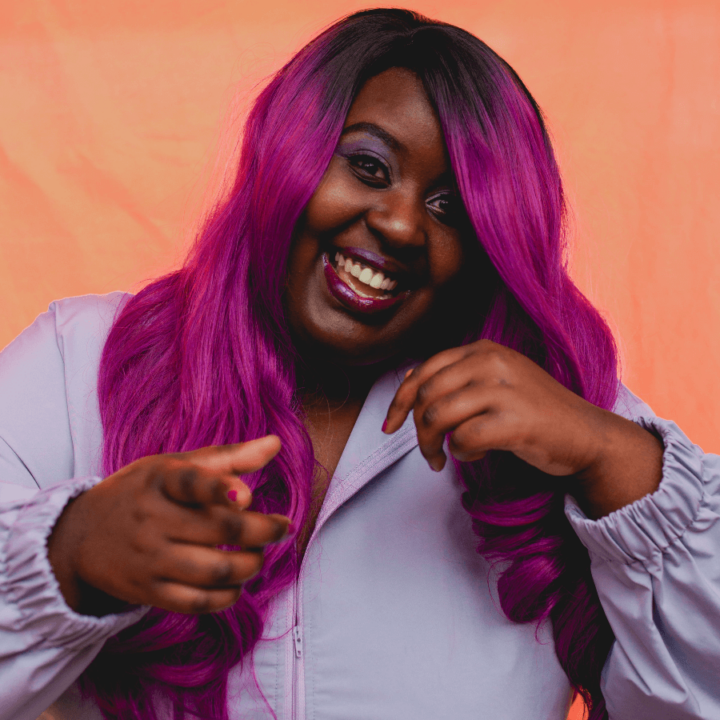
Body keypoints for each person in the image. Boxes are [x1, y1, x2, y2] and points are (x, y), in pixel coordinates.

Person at [0, 8, 718, 720]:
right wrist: (70, 555)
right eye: (369, 167)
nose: (403, 224)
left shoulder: (550, 414)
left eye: (452, 208)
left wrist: (615, 461)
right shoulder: (78, 364)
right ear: (287, 155)